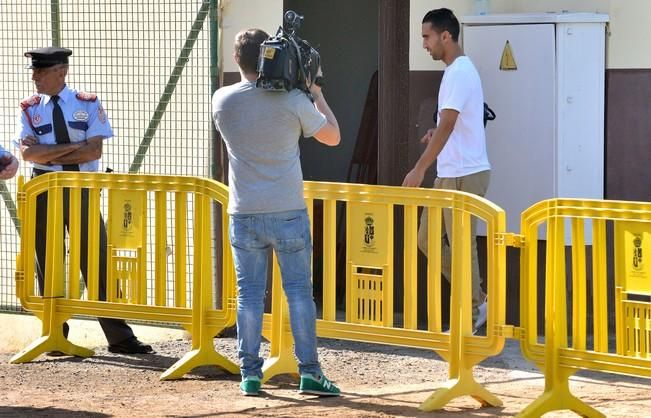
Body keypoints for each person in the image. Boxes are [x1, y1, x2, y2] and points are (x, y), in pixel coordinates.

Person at [212, 29, 341, 397]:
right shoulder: (294, 100)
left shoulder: (221, 100)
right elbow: (333, 136)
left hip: (244, 211)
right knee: (300, 292)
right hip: (287, 211)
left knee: (249, 295)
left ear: (237, 60)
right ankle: (310, 373)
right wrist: (314, 92)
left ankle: (250, 374)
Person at [16, 47, 153, 354]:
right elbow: (27, 155)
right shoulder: (29, 107)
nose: (35, 77)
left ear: (61, 72)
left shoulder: (87, 103)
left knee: (96, 258)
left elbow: (94, 152)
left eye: (41, 71)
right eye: (35, 71)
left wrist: (49, 151)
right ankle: (54, 335)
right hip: (44, 190)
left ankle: (119, 337)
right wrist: (70, 148)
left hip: (82, 186)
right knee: (47, 259)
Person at [402, 9, 490, 333]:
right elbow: (449, 125)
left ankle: (468, 320)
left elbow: (449, 123)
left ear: (446, 36)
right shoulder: (455, 71)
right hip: (450, 173)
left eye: (426, 36)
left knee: (462, 247)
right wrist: (434, 137)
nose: (424, 44)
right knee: (427, 239)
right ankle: (479, 300)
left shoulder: (460, 72)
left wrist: (418, 169)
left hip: (464, 175)